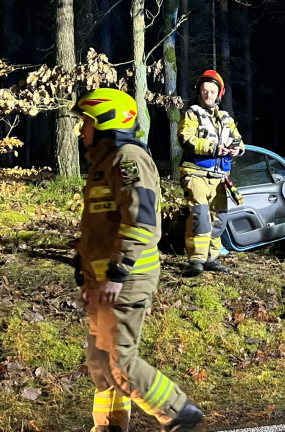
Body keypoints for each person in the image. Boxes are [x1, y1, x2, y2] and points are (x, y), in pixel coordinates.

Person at [71, 88, 204, 432]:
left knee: (121, 363)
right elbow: (99, 230)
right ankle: (109, 426)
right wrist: (87, 278)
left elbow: (142, 221)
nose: (81, 129)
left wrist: (116, 273)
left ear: (105, 122)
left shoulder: (128, 160)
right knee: (100, 363)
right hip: (105, 281)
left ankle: (177, 410)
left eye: (86, 122)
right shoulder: (104, 163)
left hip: (126, 280)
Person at [178, 70, 244, 277]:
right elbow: (185, 138)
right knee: (200, 217)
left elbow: (240, 141)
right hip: (195, 173)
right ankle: (196, 261)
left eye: (212, 91)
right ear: (199, 93)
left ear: (219, 94)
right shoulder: (191, 115)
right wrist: (213, 148)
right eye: (205, 91)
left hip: (219, 178)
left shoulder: (226, 118)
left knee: (220, 219)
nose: (208, 95)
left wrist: (237, 149)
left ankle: (211, 258)